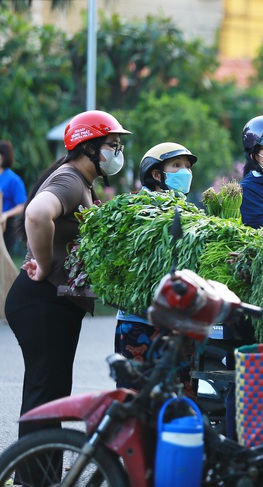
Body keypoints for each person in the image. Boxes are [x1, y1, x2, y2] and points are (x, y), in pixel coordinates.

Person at [4, 110, 131, 444]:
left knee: (50, 392)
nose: (117, 154)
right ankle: (34, 479)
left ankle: (37, 474)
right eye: (112, 145)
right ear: (88, 147)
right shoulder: (70, 180)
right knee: (45, 393)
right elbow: (36, 214)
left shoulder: (81, 182)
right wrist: (43, 265)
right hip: (41, 300)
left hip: (51, 304)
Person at [114, 142, 198, 393]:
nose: (185, 171)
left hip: (179, 321)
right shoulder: (135, 209)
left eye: (187, 167)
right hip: (138, 320)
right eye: (177, 165)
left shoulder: (190, 212)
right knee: (134, 394)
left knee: (179, 395)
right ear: (156, 174)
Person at [0, 140, 28, 256]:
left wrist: (5, 215)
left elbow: (21, 205)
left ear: (3, 157)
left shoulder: (13, 180)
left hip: (6, 226)